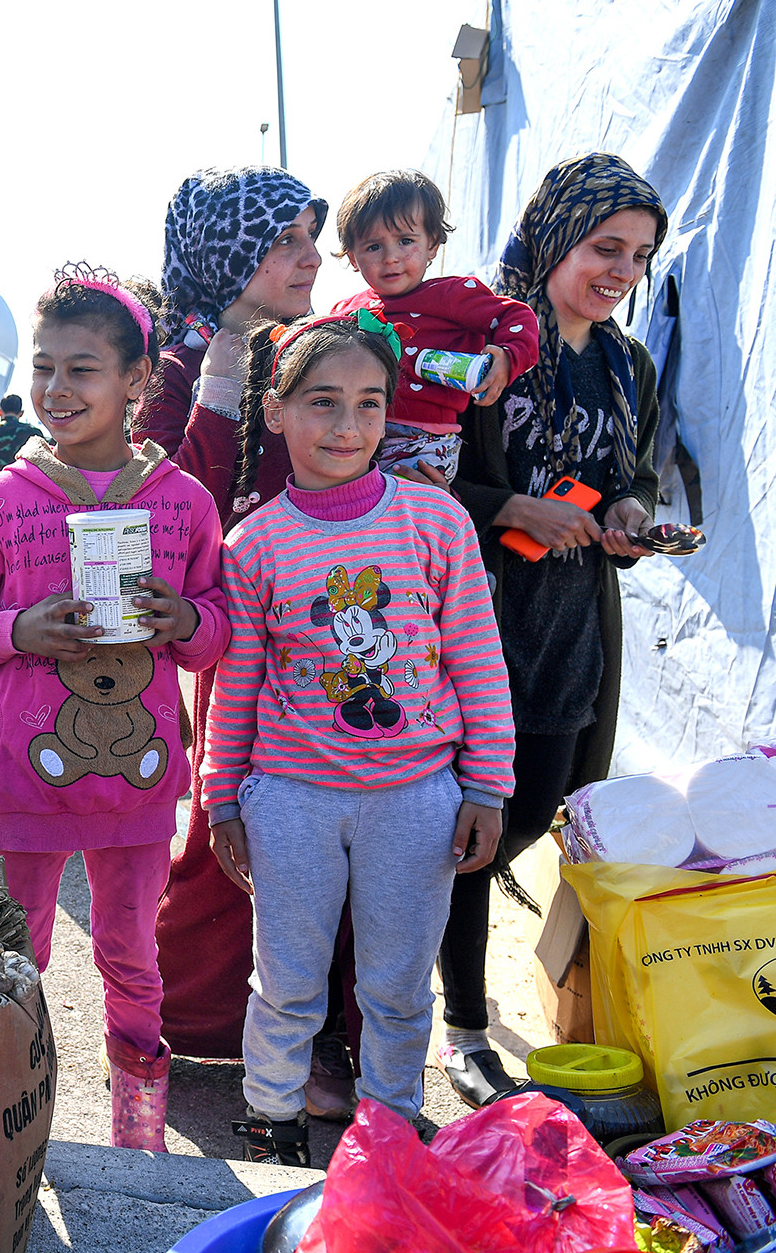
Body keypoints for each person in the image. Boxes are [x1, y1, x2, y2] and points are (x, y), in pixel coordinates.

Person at [0, 264, 230, 1151]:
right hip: (24, 781)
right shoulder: (0, 502)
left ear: (138, 381)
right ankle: (2, 1118)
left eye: (82, 369)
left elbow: (216, 636)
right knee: (19, 956)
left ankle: (140, 1129)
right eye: (44, 367)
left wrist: (184, 618)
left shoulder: (183, 505)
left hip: (136, 786)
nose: (56, 389)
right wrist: (17, 628)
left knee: (132, 956)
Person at [202, 310, 512, 1166]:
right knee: (289, 982)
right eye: (323, 403)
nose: (347, 428)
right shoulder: (253, 543)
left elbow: (477, 662)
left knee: (399, 986)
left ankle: (388, 1126)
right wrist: (221, 796)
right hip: (292, 797)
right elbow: (240, 684)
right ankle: (274, 1120)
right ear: (276, 410)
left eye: (370, 405)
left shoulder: (436, 523)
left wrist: (487, 784)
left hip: (417, 800)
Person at [433, 152, 665, 1109]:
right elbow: (423, 468)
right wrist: (511, 507)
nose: (622, 271)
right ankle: (462, 1026)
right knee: (470, 824)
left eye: (641, 256)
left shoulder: (629, 364)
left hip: (572, 623)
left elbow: (637, 475)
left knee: (536, 810)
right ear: (558, 233)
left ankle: (420, 976)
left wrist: (636, 518)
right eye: (606, 246)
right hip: (475, 615)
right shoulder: (486, 336)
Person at [133, 165, 362, 1120]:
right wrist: (221, 384)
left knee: (332, 831)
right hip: (232, 637)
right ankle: (200, 1020)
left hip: (334, 627)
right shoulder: (175, 362)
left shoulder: (309, 349)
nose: (315, 258)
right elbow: (159, 502)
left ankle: (310, 1033)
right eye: (289, 243)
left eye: (315, 237)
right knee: (241, 833)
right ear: (232, 255)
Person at [328, 169, 540, 479]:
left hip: (425, 442)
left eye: (405, 241)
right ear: (353, 257)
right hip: (357, 434)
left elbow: (515, 315)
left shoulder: (453, 295)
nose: (391, 257)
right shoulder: (346, 311)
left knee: (398, 510)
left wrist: (508, 357)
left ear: (433, 246)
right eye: (374, 246)